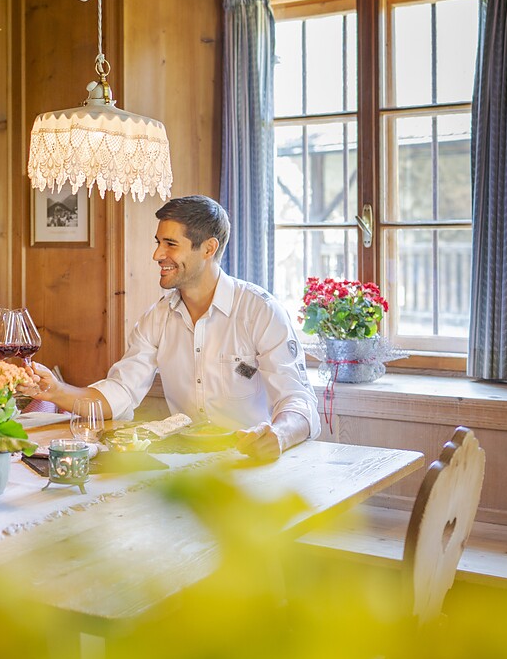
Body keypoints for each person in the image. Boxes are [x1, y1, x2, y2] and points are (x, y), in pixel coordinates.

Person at [27, 195, 319, 462]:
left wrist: (279, 436)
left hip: (252, 465)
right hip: (184, 470)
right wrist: (56, 391)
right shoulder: (157, 318)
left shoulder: (260, 311)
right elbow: (120, 392)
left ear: (208, 248)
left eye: (170, 244)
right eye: (158, 242)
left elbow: (298, 400)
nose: (157, 254)